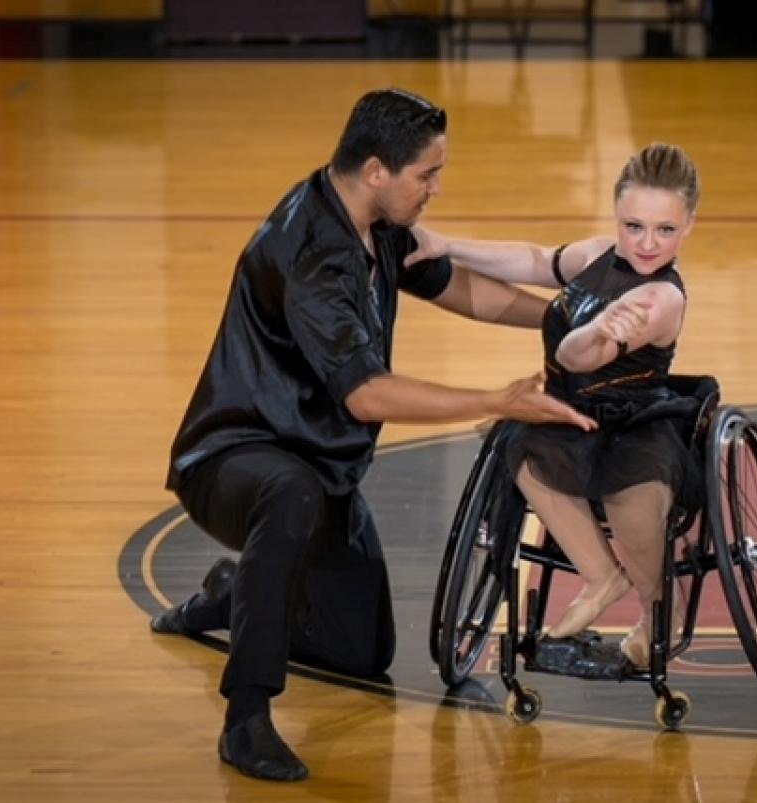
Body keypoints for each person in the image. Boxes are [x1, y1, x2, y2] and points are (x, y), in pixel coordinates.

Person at [151, 88, 596, 783]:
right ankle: (245, 718)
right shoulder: (311, 254)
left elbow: (459, 288)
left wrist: (567, 329)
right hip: (233, 459)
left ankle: (236, 593)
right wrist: (496, 400)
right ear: (378, 171)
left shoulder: (380, 224)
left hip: (316, 466)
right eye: (428, 174)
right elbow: (365, 394)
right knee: (289, 492)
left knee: (361, 650)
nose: (437, 188)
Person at [409, 142, 703, 672]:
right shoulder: (597, 256)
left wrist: (593, 329)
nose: (646, 243)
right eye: (633, 226)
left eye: (664, 230)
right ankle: (601, 575)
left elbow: (576, 353)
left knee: (629, 495)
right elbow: (535, 260)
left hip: (633, 422)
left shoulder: (661, 301)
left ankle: (663, 612)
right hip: (571, 411)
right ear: (617, 217)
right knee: (521, 449)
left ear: (688, 228)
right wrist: (445, 245)